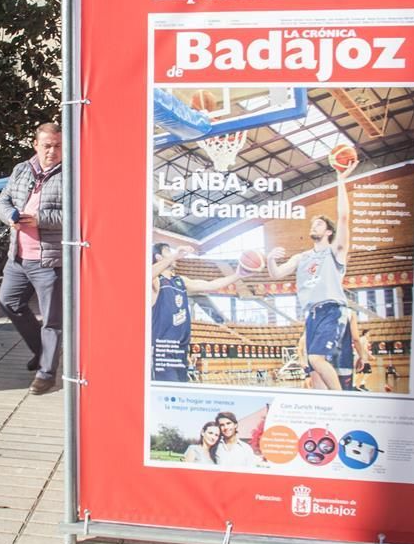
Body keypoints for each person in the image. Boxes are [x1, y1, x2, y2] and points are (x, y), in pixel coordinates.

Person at [266, 162, 358, 390]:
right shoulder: (301, 257)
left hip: (332, 309)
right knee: (315, 372)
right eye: (312, 224)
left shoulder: (335, 250)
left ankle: (342, 399)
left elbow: (344, 217)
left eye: (318, 224)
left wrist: (340, 179)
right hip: (312, 315)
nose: (313, 226)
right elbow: (276, 274)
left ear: (328, 232)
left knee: (317, 359)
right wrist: (269, 258)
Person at [0, 123, 63, 395]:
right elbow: (3, 200)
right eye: (47, 146)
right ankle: (41, 351)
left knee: (52, 320)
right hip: (19, 256)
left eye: (58, 146)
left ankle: (47, 373)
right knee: (9, 302)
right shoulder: (22, 169)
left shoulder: (72, 173)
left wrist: (39, 220)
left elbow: (79, 216)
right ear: (36, 145)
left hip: (50, 260)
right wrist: (10, 216)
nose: (52, 151)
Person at [151, 243, 249, 382]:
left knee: (180, 394)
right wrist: (175, 255)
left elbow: (210, 285)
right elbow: (145, 275)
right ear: (158, 257)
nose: (174, 254)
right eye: (168, 251)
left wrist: (237, 275)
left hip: (181, 350)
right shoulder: (155, 280)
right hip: (162, 350)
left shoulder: (180, 280)